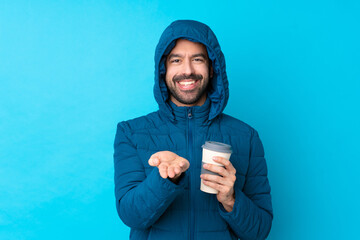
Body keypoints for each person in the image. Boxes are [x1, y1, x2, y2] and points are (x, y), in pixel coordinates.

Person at [113, 20, 273, 240]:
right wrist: (165, 179)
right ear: (163, 70)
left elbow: (259, 231)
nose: (187, 71)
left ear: (212, 67)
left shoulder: (247, 137)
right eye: (176, 60)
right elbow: (131, 216)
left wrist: (230, 199)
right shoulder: (131, 132)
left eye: (197, 59)